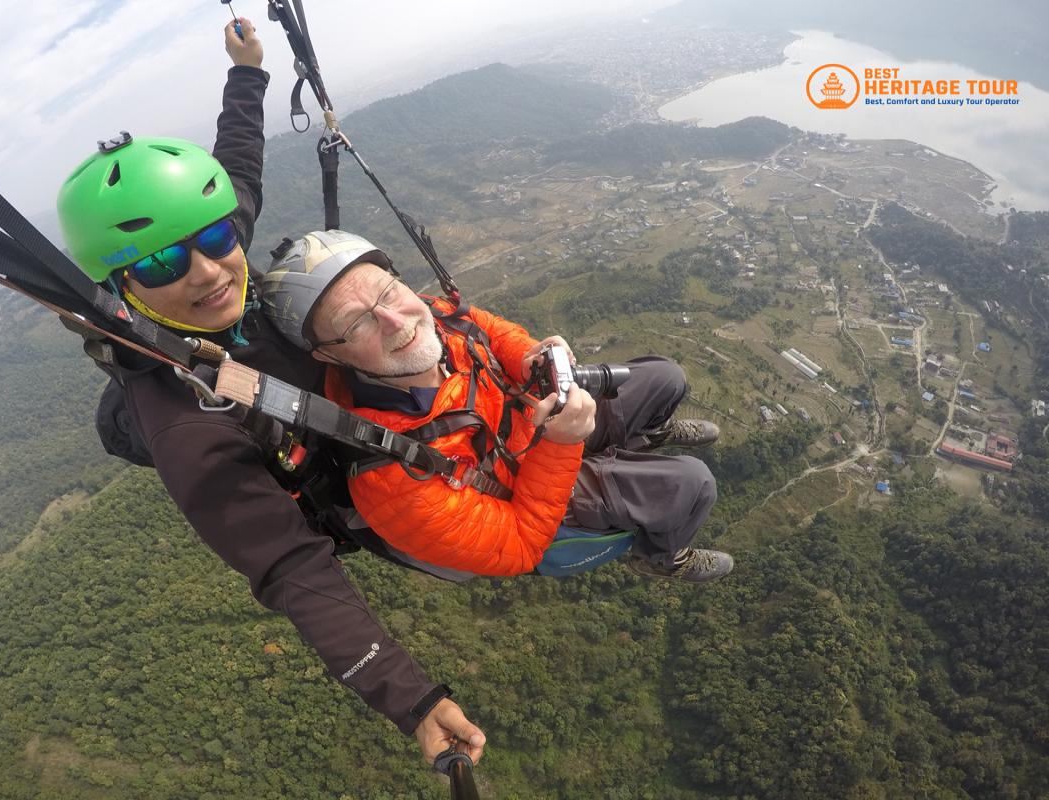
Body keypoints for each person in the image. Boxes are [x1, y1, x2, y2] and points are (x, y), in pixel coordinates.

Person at [55, 20, 485, 767]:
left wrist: (246, 72)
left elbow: (238, 166)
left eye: (215, 237)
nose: (208, 270)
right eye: (159, 262)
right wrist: (410, 699)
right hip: (290, 447)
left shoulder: (216, 240)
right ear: (122, 283)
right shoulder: (186, 422)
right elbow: (287, 563)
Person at [260, 230, 735, 580]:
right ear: (327, 354)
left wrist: (527, 354)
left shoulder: (426, 313)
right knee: (690, 484)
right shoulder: (390, 480)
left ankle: (642, 437)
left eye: (387, 291)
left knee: (667, 377)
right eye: (356, 322)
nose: (393, 320)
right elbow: (522, 547)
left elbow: (483, 326)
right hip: (527, 488)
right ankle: (664, 557)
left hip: (533, 423)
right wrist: (562, 444)